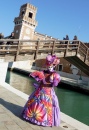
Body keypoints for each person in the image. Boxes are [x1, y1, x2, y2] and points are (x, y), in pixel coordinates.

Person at [21, 54, 61, 127]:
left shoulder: (55, 75)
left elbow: (55, 84)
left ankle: (43, 121)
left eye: (51, 66)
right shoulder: (42, 72)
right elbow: (39, 79)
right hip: (39, 91)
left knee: (46, 107)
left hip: (48, 93)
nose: (49, 67)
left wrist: (53, 80)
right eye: (48, 66)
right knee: (35, 103)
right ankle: (32, 118)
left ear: (54, 66)